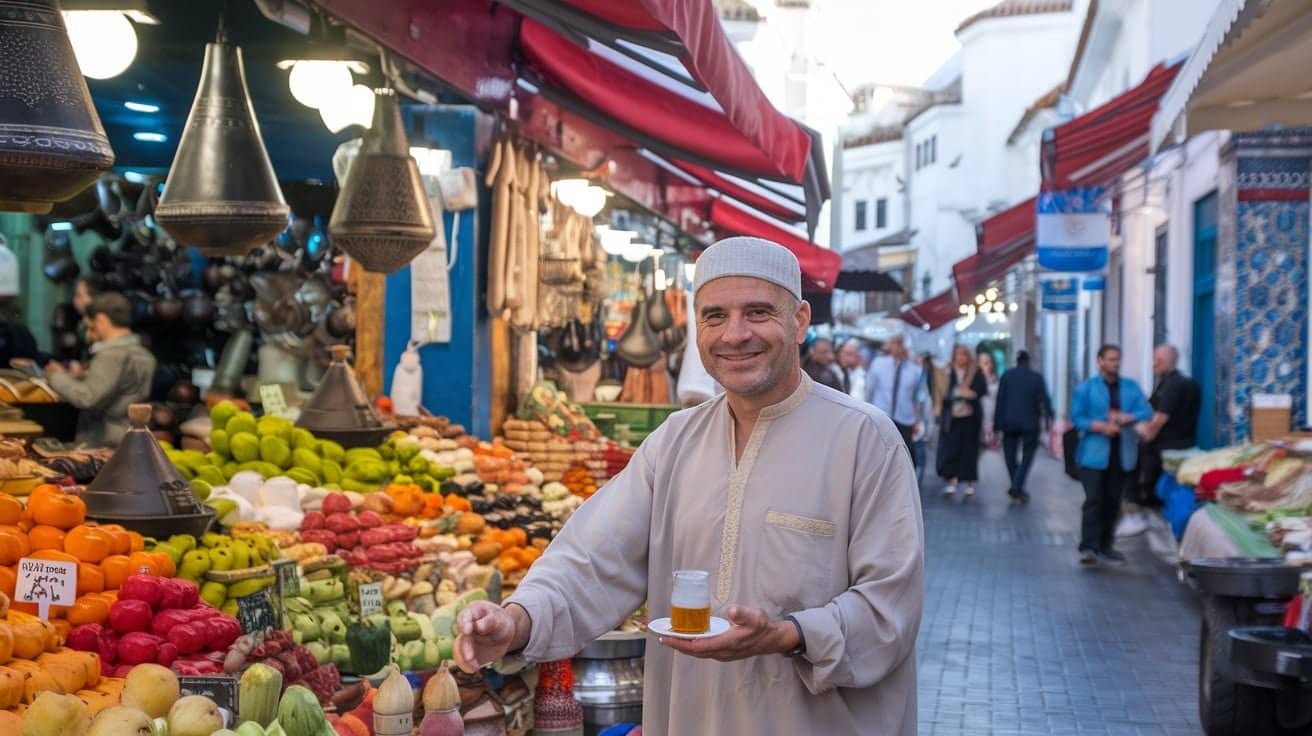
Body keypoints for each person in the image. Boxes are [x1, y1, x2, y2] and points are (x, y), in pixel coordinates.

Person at [453, 236, 925, 735]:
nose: (735, 334)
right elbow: (592, 559)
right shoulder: (674, 442)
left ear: (800, 320)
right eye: (715, 316)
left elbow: (889, 609)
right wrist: (519, 620)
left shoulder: (866, 439)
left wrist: (790, 634)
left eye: (758, 312)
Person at [1070, 344, 1153, 566]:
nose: (1115, 363)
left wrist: (1128, 417)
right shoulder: (1086, 388)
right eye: (1111, 359)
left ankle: (1106, 545)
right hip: (1093, 453)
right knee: (1094, 498)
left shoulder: (1131, 387)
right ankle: (1088, 546)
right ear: (1100, 361)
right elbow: (1077, 418)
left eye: (1118, 359)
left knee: (1113, 500)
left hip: (1122, 452)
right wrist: (1099, 426)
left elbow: (1146, 411)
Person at [45, 292, 156, 447]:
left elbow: (87, 397)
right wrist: (82, 375)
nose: (88, 332)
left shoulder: (111, 355)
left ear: (101, 320)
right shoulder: (144, 355)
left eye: (90, 325)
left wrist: (56, 376)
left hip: (104, 442)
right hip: (130, 437)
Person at [1120, 344, 1201, 536]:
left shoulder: (1172, 385)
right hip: (1183, 447)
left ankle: (1140, 521)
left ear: (1168, 360)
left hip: (1163, 451)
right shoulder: (1187, 384)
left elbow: (1160, 419)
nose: (1153, 364)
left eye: (1158, 360)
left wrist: (1144, 431)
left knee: (1144, 487)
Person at [992, 350, 1053, 503]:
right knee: (1028, 456)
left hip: (1009, 422)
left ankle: (1016, 485)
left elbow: (1000, 401)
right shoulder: (1037, 378)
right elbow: (1045, 399)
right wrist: (1050, 417)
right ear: (1028, 361)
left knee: (1009, 456)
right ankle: (1017, 485)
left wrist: (996, 426)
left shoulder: (1007, 376)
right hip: (1030, 423)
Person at [937, 345, 988, 497]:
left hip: (971, 417)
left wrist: (969, 394)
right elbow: (941, 390)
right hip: (953, 417)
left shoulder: (975, 372)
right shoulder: (948, 371)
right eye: (958, 354)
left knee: (970, 450)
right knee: (952, 449)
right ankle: (952, 480)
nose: (961, 358)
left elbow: (981, 390)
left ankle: (969, 481)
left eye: (964, 354)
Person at [865, 334, 925, 454]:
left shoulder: (915, 369)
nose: (898, 347)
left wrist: (918, 420)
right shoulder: (879, 363)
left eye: (901, 343)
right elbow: (869, 390)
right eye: (895, 343)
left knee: (903, 454)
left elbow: (918, 397)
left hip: (905, 419)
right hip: (881, 416)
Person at [977, 351, 1001, 450]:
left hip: (993, 412)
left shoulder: (995, 378)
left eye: (989, 362)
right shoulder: (975, 379)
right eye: (985, 363)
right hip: (980, 414)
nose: (989, 365)